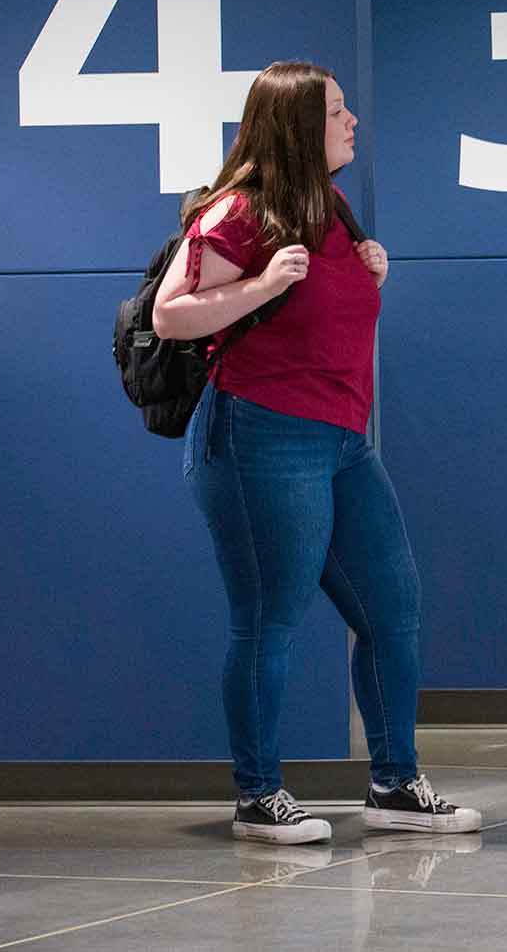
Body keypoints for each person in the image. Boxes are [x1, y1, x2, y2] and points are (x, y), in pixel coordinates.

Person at [152, 60, 481, 845]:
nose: (352, 121)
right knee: (269, 619)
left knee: (392, 608)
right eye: (337, 110)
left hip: (342, 441)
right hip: (260, 434)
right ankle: (258, 795)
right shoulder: (239, 212)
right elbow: (171, 316)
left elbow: (327, 312)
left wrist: (373, 271)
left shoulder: (328, 206)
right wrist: (261, 286)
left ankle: (394, 784)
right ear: (299, 124)